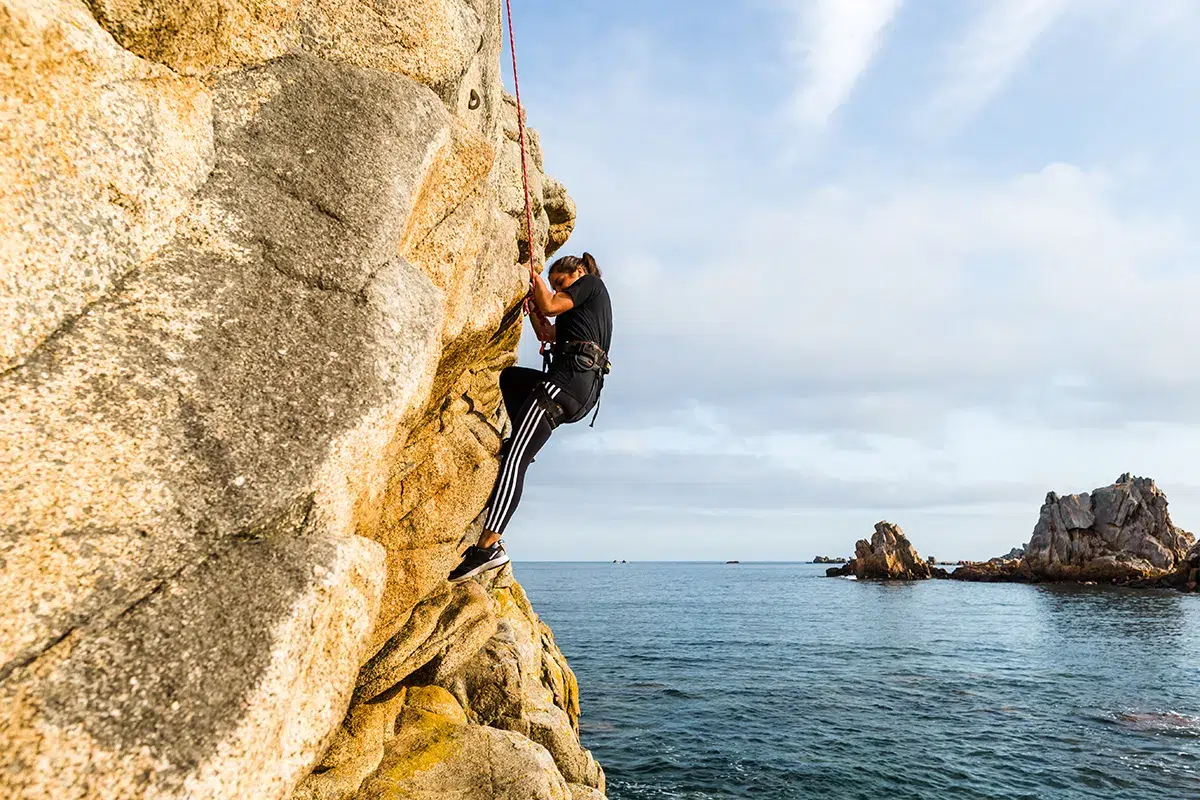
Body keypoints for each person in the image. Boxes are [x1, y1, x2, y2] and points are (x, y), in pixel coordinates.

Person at [449, 252, 612, 582]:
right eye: (553, 284)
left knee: (516, 460)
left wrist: (534, 277)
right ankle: (522, 442)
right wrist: (535, 309)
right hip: (576, 388)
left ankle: (489, 547)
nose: (556, 288)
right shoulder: (581, 309)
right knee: (511, 379)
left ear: (577, 272)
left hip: (566, 384)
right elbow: (548, 332)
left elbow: (552, 305)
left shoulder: (590, 284)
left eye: (560, 282)